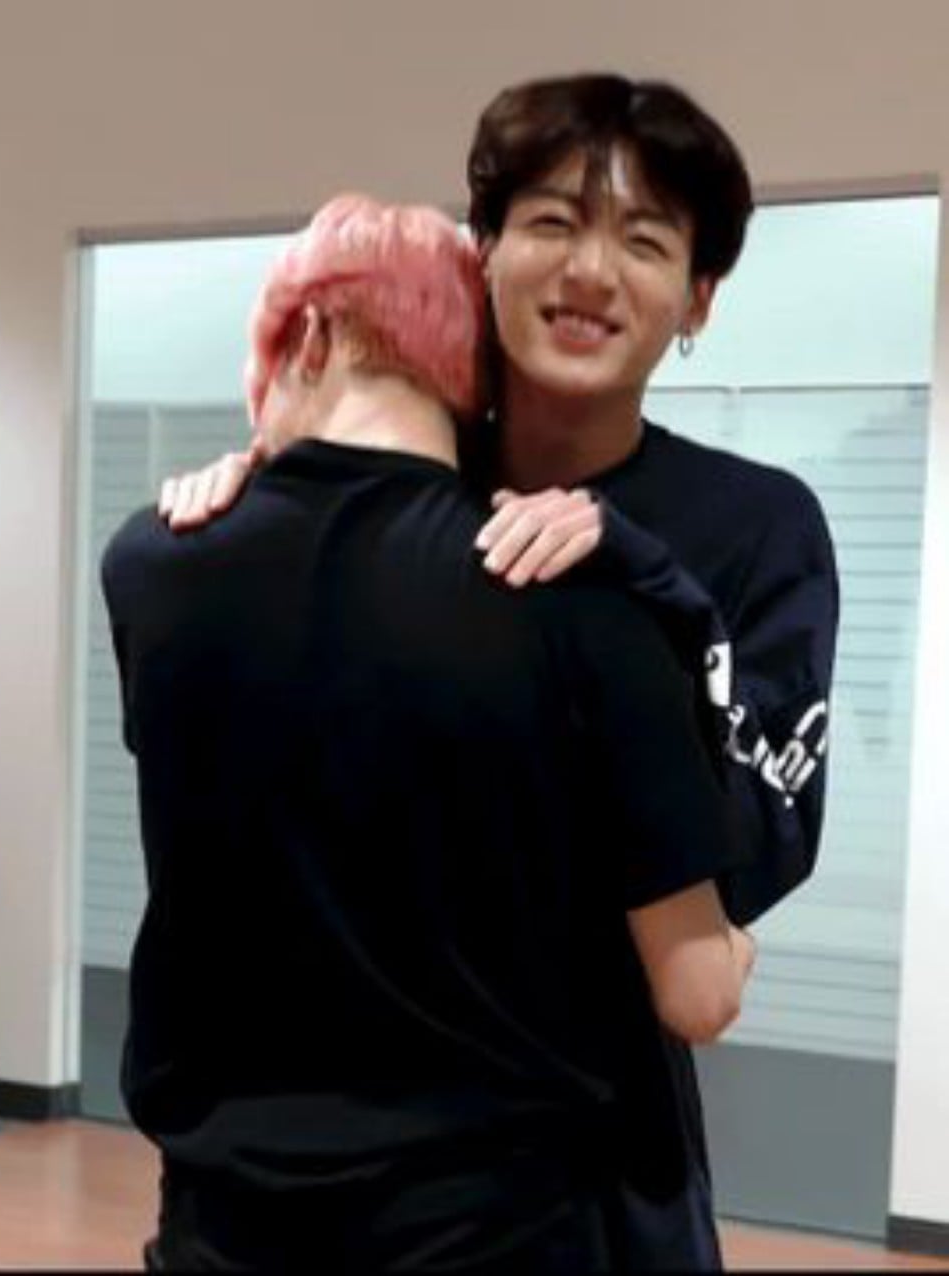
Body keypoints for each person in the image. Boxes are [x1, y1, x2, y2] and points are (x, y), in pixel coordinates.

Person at [104, 193, 755, 1272]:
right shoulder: (585, 606)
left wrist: (258, 466)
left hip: (226, 1227)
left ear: (312, 337)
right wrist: (736, 944)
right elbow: (699, 994)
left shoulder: (150, 566)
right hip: (505, 1234)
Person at [161, 74, 839, 931]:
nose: (590, 272)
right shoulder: (397, 494)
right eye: (553, 223)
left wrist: (654, 586)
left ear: (697, 299)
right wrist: (251, 518)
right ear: (482, 249)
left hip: (596, 1018)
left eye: (644, 242)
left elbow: (764, 850)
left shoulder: (760, 524)